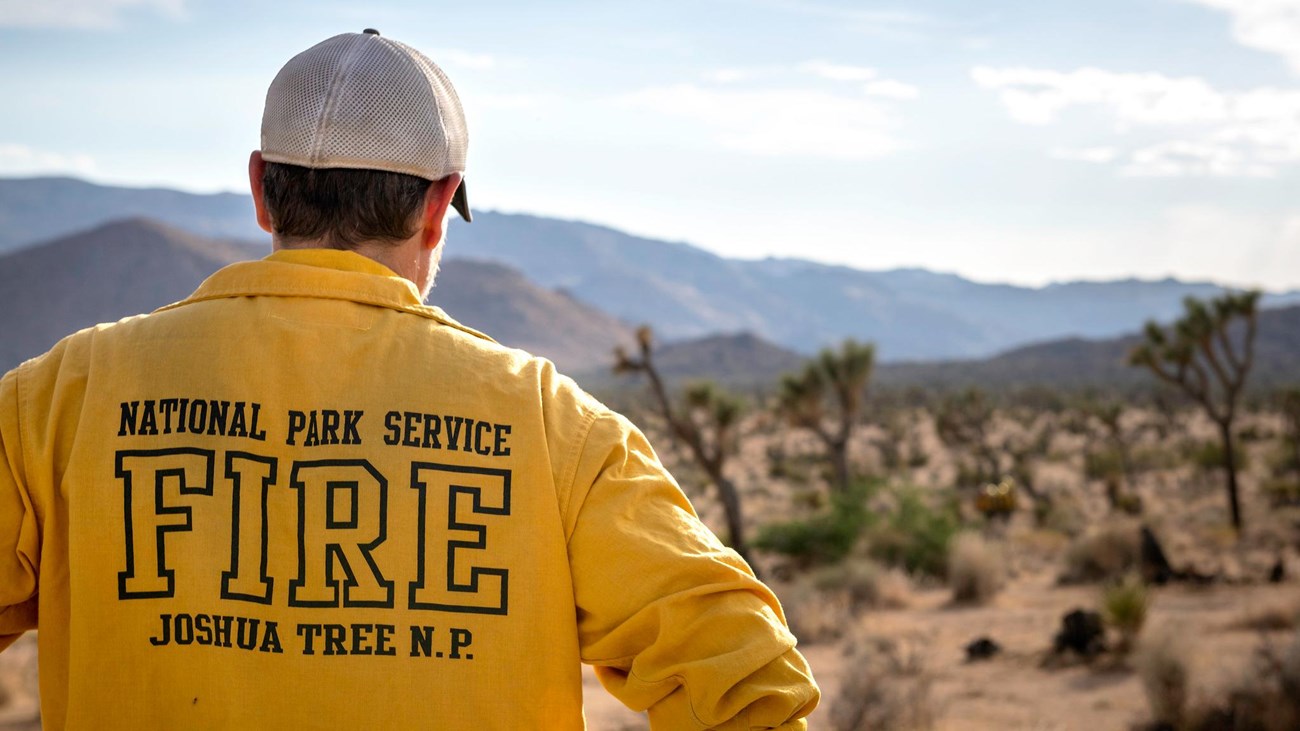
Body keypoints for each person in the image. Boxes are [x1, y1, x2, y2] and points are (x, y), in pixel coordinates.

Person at [0, 30, 819, 729]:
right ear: (439, 205)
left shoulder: (63, 397)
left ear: (260, 188)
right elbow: (750, 683)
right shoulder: (550, 425)